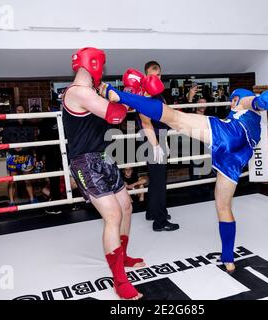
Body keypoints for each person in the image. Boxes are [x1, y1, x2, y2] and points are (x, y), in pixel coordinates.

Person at [100, 75, 268, 273]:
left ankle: (119, 94)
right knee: (223, 206)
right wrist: (261, 102)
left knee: (176, 119)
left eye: (232, 101)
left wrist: (258, 101)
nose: (231, 103)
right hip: (236, 158)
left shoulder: (244, 101)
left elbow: (263, 100)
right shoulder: (254, 119)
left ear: (236, 100)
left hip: (231, 133)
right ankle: (228, 258)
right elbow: (265, 103)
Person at [62, 47, 144, 300]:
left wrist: (128, 96)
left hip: (104, 156)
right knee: (113, 214)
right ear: (95, 64)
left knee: (126, 207)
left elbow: (117, 114)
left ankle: (124, 256)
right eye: (102, 64)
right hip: (85, 161)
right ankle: (119, 281)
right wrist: (127, 96)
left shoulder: (93, 93)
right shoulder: (77, 92)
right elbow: (116, 114)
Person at [136, 62, 179, 232]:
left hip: (159, 138)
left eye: (159, 75)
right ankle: (160, 221)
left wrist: (165, 141)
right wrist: (156, 146)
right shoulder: (144, 96)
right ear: (146, 76)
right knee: (160, 182)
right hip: (151, 140)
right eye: (153, 76)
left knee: (155, 179)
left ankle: (152, 212)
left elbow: (164, 119)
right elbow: (146, 124)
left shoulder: (159, 94)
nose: (157, 78)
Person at [2, 105, 38, 206]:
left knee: (27, 178)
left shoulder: (28, 124)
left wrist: (27, 149)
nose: (20, 112)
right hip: (13, 155)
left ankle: (32, 199)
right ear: (15, 112)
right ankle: (12, 201)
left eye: (22, 110)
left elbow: (32, 140)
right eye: (18, 110)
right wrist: (13, 148)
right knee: (12, 179)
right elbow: (5, 141)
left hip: (26, 154)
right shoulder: (9, 124)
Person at [38, 100, 63, 214]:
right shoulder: (64, 119)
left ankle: (57, 206)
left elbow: (41, 141)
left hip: (52, 154)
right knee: (72, 177)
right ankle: (75, 203)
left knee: (54, 180)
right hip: (64, 153)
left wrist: (39, 157)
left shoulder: (44, 121)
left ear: (48, 108)